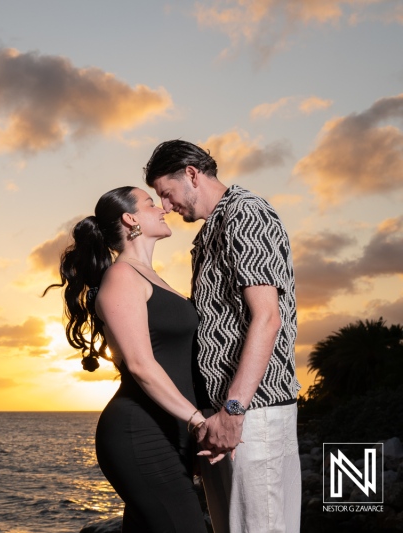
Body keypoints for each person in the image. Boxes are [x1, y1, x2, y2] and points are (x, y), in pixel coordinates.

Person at [144, 139, 302, 533]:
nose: (166, 205)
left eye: (166, 193)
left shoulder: (245, 214)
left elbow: (267, 318)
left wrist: (234, 410)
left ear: (192, 175)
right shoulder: (211, 230)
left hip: (255, 410)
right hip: (229, 414)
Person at [46, 186, 216, 532]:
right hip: (140, 432)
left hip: (171, 432)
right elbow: (141, 365)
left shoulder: (152, 277)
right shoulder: (122, 277)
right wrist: (198, 422)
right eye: (151, 203)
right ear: (130, 218)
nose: (163, 209)